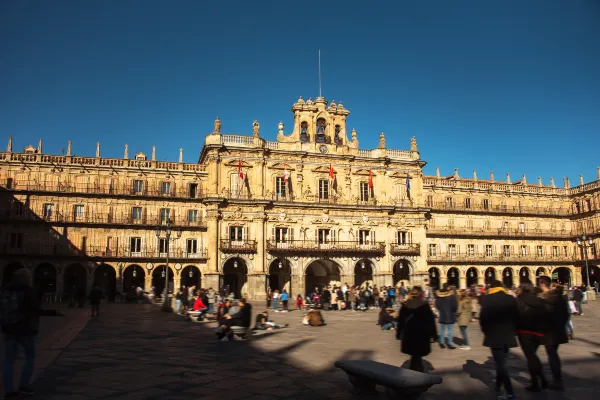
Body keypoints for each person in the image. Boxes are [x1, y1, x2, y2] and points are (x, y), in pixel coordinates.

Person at [1, 269, 39, 398]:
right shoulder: (28, 291)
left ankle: (9, 391)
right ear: (26, 278)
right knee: (30, 356)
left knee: (9, 360)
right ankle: (23, 386)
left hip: (9, 329)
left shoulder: (6, 290)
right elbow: (34, 310)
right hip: (25, 330)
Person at [479, 280, 518, 400]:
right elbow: (516, 316)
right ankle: (497, 386)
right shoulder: (510, 298)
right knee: (502, 362)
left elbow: (482, 318)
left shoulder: (487, 299)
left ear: (491, 287)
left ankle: (510, 392)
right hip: (508, 334)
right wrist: (513, 330)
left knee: (501, 365)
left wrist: (486, 331)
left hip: (494, 334)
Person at [516, 282, 549, 392]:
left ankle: (535, 383)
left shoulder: (518, 300)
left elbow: (514, 315)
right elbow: (546, 315)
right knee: (533, 356)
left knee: (530, 357)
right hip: (538, 333)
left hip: (524, 332)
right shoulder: (540, 300)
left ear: (522, 289)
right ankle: (543, 380)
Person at [395, 286, 437, 372]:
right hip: (422, 334)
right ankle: (417, 373)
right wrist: (434, 334)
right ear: (421, 294)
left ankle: (415, 370)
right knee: (417, 355)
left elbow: (400, 321)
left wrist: (399, 334)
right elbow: (431, 321)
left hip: (409, 334)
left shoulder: (405, 305)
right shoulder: (425, 305)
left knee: (414, 355)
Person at [538, 277, 569, 391]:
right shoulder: (560, 298)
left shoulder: (542, 299)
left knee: (552, 356)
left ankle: (557, 380)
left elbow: (540, 316)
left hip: (547, 332)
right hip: (558, 330)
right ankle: (557, 379)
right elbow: (566, 315)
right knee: (554, 355)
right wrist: (561, 326)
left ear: (542, 284)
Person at [435, 283, 457, 349]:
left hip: (443, 314)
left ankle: (442, 342)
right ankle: (449, 343)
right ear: (448, 287)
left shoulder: (439, 295)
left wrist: (441, 310)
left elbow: (437, 305)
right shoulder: (451, 295)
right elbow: (454, 306)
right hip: (450, 315)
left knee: (442, 329)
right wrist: (454, 312)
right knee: (450, 330)